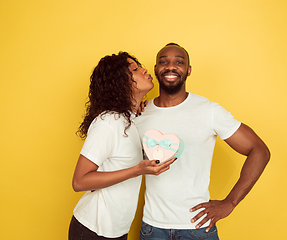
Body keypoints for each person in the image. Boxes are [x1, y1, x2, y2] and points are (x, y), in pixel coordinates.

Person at [134, 43, 270, 240]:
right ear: (156, 69)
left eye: (179, 62)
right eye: (163, 62)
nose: (171, 67)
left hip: (197, 229)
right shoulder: (140, 113)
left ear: (188, 70)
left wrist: (230, 202)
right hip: (153, 228)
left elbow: (259, 150)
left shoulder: (209, 111)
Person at [68, 52, 175, 240]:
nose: (144, 69)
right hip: (93, 229)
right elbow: (79, 181)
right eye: (134, 69)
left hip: (117, 231)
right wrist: (136, 170)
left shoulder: (130, 120)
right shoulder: (108, 122)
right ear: (119, 83)